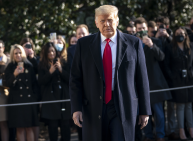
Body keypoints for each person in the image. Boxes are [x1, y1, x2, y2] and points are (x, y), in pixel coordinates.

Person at [69, 5, 151, 141]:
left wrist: (145, 110)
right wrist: (76, 108)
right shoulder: (83, 44)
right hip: (93, 107)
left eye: (110, 20)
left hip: (123, 106)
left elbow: (142, 78)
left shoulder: (133, 43)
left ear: (117, 21)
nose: (107, 24)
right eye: (102, 21)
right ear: (96, 23)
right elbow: (75, 79)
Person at [134, 17, 172, 141]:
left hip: (156, 84)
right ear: (135, 30)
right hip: (140, 86)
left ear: (147, 29)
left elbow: (162, 57)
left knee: (160, 114)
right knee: (145, 116)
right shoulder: (132, 43)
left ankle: (160, 136)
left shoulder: (155, 41)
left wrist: (151, 45)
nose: (142, 30)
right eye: (139, 29)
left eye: (144, 28)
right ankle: (149, 136)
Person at [4, 44, 39, 141]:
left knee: (29, 127)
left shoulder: (29, 66)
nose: (18, 55)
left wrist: (35, 98)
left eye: (20, 53)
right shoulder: (10, 67)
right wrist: (14, 75)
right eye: (16, 53)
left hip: (29, 100)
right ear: (12, 55)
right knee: (19, 129)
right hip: (16, 101)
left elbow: (34, 84)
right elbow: (7, 84)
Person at [165, 27, 193, 140]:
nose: (179, 35)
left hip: (189, 80)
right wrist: (172, 76)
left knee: (189, 105)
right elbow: (166, 65)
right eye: (177, 33)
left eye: (181, 33)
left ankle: (191, 130)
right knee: (180, 106)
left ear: (186, 35)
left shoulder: (190, 47)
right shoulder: (170, 48)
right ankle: (181, 131)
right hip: (177, 80)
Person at [38, 42, 71, 141]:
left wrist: (61, 70)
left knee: (66, 127)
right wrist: (50, 72)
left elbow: (70, 79)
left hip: (63, 98)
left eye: (53, 51)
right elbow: (41, 82)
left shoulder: (64, 63)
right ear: (45, 53)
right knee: (53, 128)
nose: (51, 53)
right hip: (51, 100)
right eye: (49, 52)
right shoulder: (42, 65)